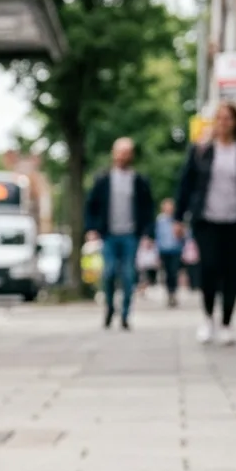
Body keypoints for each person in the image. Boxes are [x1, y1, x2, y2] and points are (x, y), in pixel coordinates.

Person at [175, 101, 236, 344]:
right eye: (219, 118)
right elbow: (186, 185)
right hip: (207, 219)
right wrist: (178, 217)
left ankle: (226, 323)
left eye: (228, 118)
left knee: (232, 271)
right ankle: (208, 318)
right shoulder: (201, 150)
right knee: (209, 267)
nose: (223, 123)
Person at [83, 137, 156, 330]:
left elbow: (148, 209)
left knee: (128, 274)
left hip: (131, 234)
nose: (123, 156)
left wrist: (148, 234)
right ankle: (109, 308)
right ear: (114, 154)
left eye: (127, 152)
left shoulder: (139, 181)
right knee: (108, 272)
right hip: (109, 234)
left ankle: (125, 314)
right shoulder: (103, 180)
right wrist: (91, 229)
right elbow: (92, 205)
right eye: (120, 151)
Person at [153, 198, 185, 307]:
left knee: (174, 271)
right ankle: (169, 293)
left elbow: (185, 236)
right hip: (164, 249)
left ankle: (174, 292)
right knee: (166, 272)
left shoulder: (178, 219)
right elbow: (157, 236)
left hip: (176, 249)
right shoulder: (160, 220)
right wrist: (156, 251)